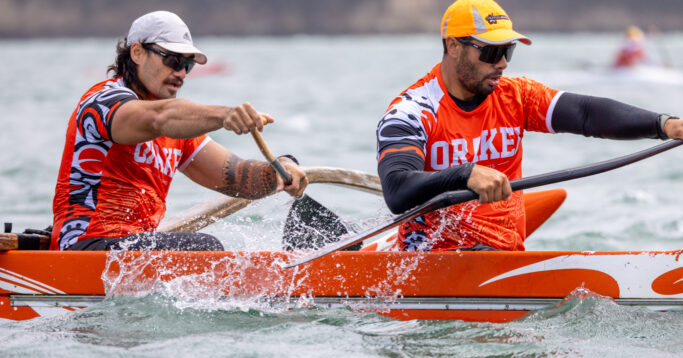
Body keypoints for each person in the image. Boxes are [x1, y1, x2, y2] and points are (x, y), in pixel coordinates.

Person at [376, 0, 683, 252]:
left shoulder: (516, 96)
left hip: (501, 255)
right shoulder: (412, 112)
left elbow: (586, 113)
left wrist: (665, 125)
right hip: (432, 260)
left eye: (508, 51)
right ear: (453, 46)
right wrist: (465, 173)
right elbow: (397, 190)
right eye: (492, 52)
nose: (503, 64)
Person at [50, 11, 307, 252]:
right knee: (204, 248)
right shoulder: (102, 104)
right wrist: (224, 115)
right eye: (173, 60)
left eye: (188, 65)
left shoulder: (178, 131)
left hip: (131, 251)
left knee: (204, 251)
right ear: (137, 52)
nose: (181, 73)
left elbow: (240, 178)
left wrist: (283, 168)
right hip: (83, 246)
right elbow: (158, 119)